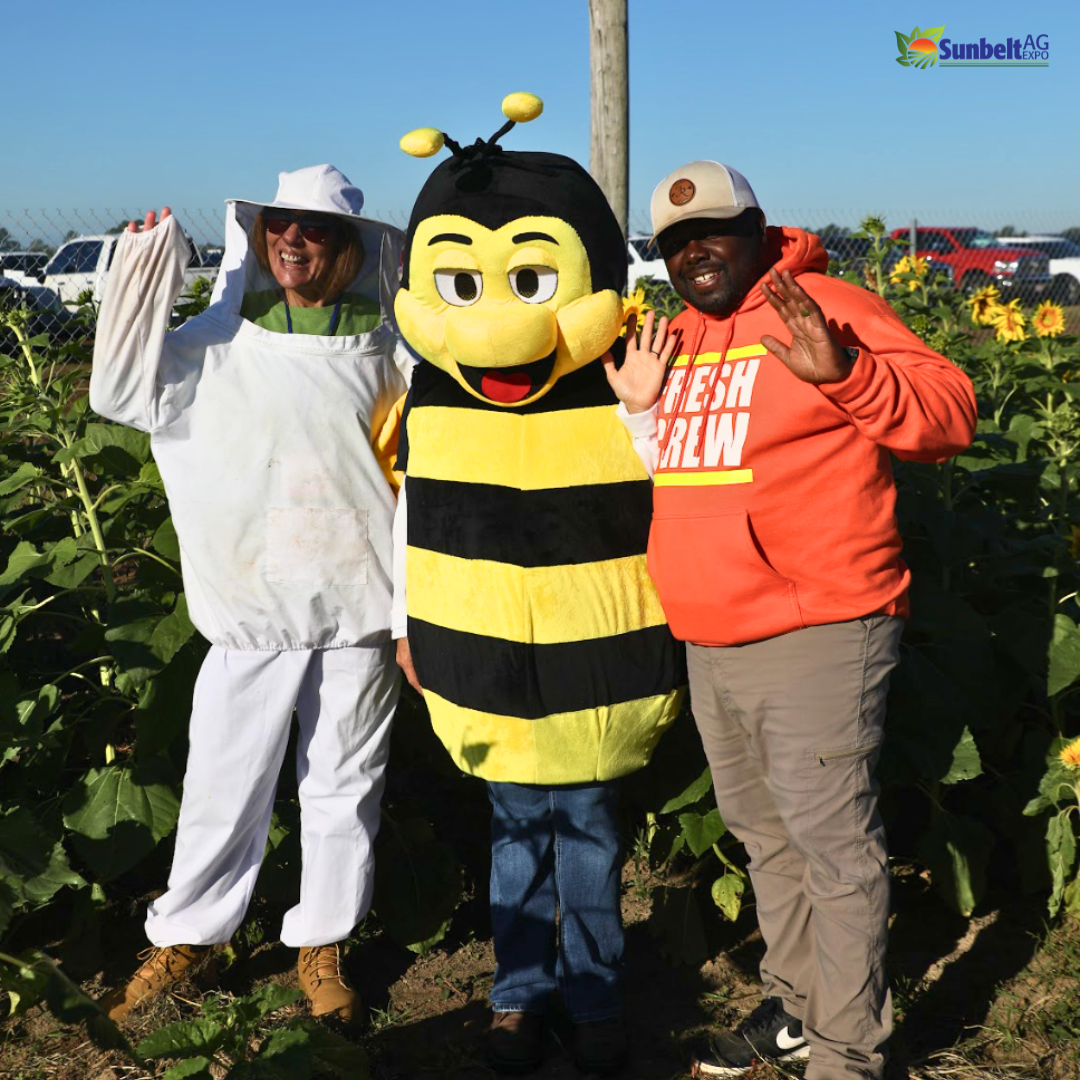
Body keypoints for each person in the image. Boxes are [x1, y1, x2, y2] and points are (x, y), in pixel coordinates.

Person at [603, 160, 977, 1080]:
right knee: (766, 838)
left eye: (714, 232)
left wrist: (847, 372)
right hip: (710, 632)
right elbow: (692, 476)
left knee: (833, 850)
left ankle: (848, 1054)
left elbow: (951, 414)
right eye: (675, 244)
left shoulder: (825, 305)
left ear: (761, 228)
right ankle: (802, 1010)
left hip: (818, 625)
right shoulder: (680, 337)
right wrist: (640, 416)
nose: (695, 253)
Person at [391, 96, 685, 1075]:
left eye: (530, 276)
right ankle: (520, 994)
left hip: (597, 655)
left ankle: (594, 999)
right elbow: (416, 513)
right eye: (466, 285)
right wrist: (407, 621)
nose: (501, 321)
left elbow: (670, 484)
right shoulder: (424, 390)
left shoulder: (619, 373)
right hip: (479, 652)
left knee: (590, 833)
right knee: (516, 832)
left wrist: (641, 409)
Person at [91, 165, 410, 1025]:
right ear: (259, 235)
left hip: (360, 611)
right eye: (280, 225)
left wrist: (410, 612)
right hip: (251, 613)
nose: (292, 240)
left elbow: (414, 483)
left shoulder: (390, 351)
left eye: (312, 229)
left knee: (346, 782)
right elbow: (120, 392)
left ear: (349, 245)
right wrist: (139, 274)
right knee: (224, 781)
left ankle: (322, 943)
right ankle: (189, 936)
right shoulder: (214, 344)